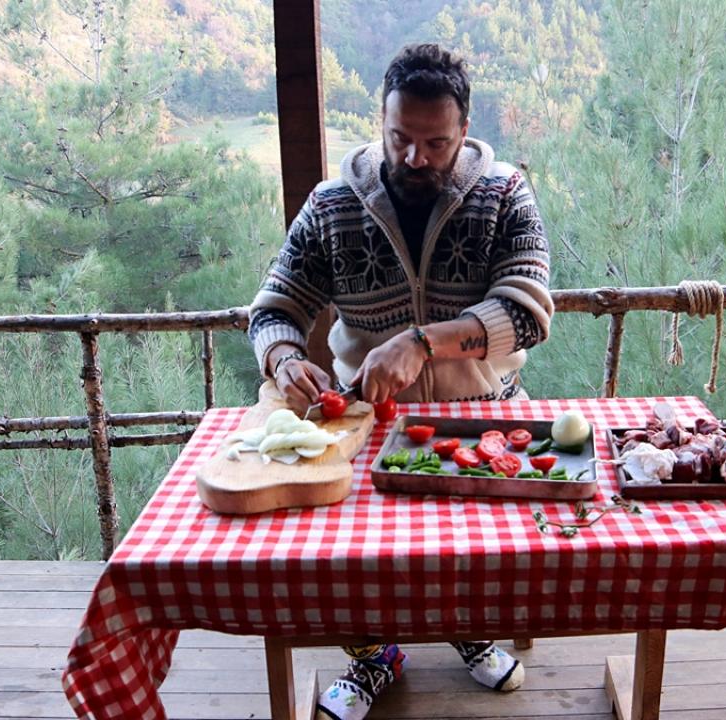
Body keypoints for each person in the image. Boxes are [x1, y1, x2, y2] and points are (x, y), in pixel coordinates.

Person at [247, 43, 553, 720]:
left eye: (436, 143)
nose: (416, 158)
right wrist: (285, 358)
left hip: (485, 423)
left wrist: (421, 342)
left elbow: (528, 313)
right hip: (366, 424)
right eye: (400, 138)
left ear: (464, 130)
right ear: (380, 123)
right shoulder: (331, 205)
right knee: (355, 561)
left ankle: (471, 630)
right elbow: (274, 310)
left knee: (478, 554)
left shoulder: (506, 194)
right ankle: (374, 655)